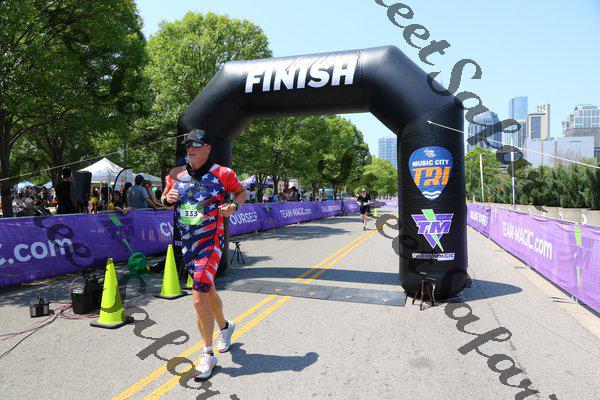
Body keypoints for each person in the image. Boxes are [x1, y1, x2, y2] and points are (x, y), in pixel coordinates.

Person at [162, 129, 246, 381]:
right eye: (188, 145)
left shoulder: (223, 173)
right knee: (207, 292)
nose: (191, 149)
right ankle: (225, 327)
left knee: (198, 298)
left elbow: (241, 192)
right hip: (187, 243)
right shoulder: (176, 174)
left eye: (197, 145)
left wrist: (233, 206)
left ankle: (207, 353)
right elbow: (164, 198)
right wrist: (167, 198)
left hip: (211, 241)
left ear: (209, 148)